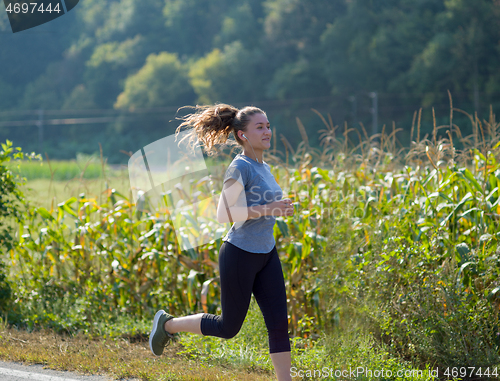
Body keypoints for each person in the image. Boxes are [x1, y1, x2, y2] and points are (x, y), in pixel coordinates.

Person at [149, 104, 294, 381]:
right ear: (242, 135)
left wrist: (278, 207)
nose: (267, 131)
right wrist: (270, 208)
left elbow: (264, 206)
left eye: (268, 125)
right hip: (240, 253)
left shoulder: (263, 167)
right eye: (260, 127)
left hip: (266, 252)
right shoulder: (240, 167)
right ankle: (168, 324)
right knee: (229, 327)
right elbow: (224, 213)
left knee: (278, 324)